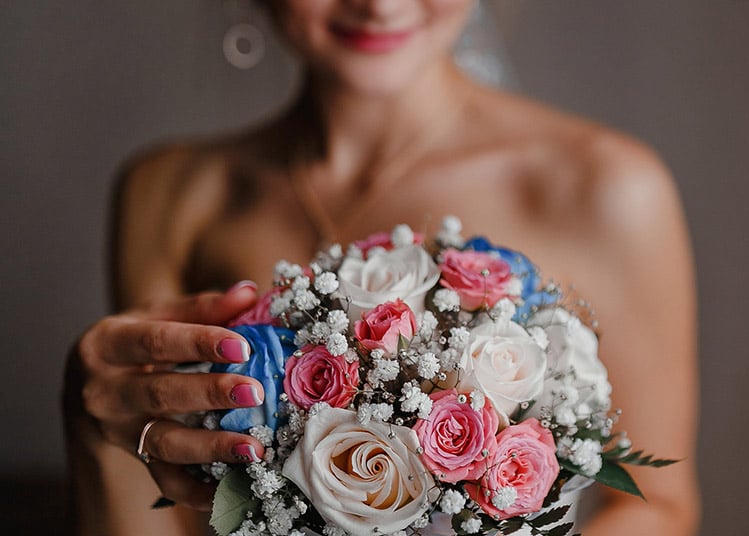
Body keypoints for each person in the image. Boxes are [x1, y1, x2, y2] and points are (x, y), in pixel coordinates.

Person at [63, 1, 700, 534]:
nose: (379, 2)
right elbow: (172, 517)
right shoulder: (169, 195)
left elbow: (660, 507)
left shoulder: (607, 187)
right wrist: (96, 431)